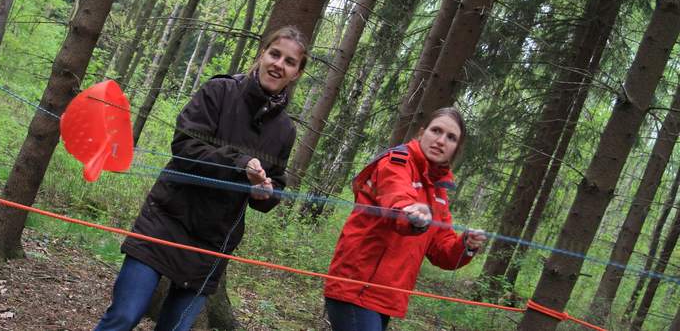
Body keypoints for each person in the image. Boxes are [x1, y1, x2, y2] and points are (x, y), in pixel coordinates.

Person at [95, 26, 308, 331]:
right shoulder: (219, 91)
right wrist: (241, 165)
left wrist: (265, 194)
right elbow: (185, 147)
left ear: (296, 73)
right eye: (275, 54)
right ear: (262, 54)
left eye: (289, 61)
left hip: (212, 242)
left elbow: (275, 186)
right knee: (123, 316)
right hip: (167, 219)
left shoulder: (285, 131)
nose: (278, 64)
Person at [323, 107, 487, 331]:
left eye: (451, 137)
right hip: (356, 289)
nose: (441, 140)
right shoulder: (396, 162)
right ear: (421, 133)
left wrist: (466, 245)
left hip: (384, 297)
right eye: (436, 130)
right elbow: (397, 200)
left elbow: (443, 252)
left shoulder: (438, 192)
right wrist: (413, 214)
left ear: (456, 149)